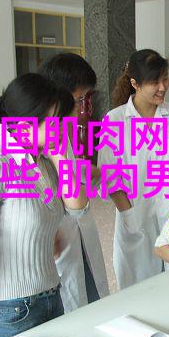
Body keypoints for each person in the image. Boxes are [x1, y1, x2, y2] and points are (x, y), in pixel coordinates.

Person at [0, 73, 89, 337]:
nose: (64, 128)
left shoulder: (43, 159)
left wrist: (61, 156)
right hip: (10, 310)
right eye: (56, 122)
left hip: (52, 295)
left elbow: (78, 207)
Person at [98, 49, 169, 289]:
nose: (163, 87)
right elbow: (110, 176)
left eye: (165, 79)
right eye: (155, 82)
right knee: (137, 286)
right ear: (135, 83)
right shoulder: (115, 120)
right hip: (135, 215)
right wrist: (129, 216)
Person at [38, 53, 109, 313]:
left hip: (74, 236)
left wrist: (90, 171)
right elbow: (76, 204)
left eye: (85, 99)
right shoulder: (50, 135)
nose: (83, 109)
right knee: (72, 307)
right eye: (79, 99)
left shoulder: (62, 130)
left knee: (89, 297)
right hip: (55, 244)